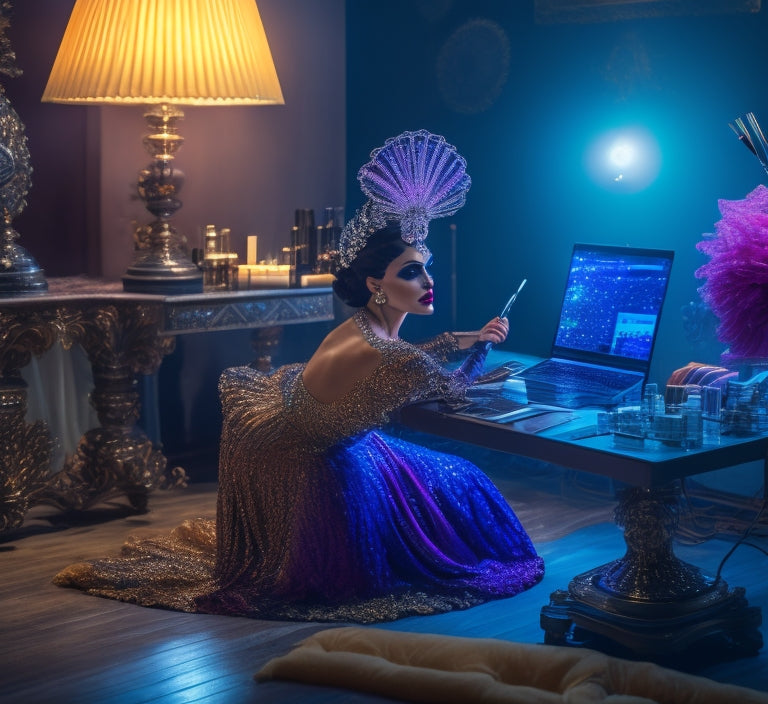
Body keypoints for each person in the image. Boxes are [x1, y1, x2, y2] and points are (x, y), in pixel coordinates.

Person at [54, 130, 544, 623]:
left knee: (435, 474)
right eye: (413, 272)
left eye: (427, 269)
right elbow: (451, 387)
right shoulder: (396, 357)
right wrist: (482, 351)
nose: (429, 282)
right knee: (465, 479)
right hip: (315, 464)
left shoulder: (361, 326)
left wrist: (465, 336)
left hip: (284, 435)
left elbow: (408, 356)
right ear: (377, 284)